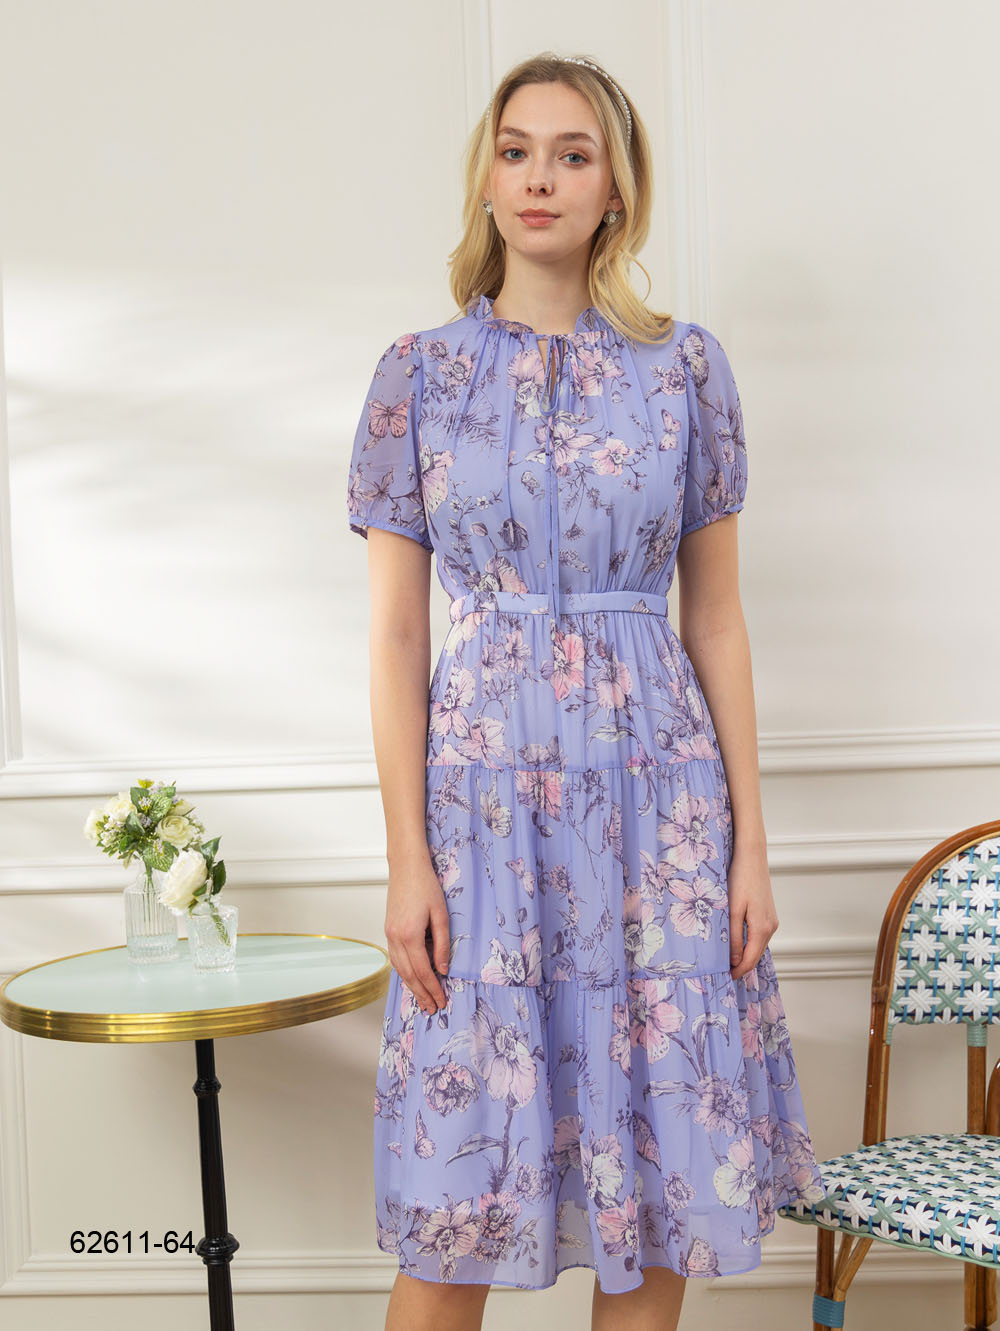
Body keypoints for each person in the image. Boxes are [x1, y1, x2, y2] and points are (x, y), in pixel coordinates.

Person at [346, 50, 826, 1331]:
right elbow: (395, 634)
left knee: (661, 1184)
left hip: (660, 808)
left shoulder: (684, 370)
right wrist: (406, 859)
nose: (540, 177)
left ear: (617, 187)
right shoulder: (418, 375)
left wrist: (751, 847)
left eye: (572, 154)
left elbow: (713, 619)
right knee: (456, 1201)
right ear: (486, 178)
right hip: (480, 812)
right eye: (516, 152)